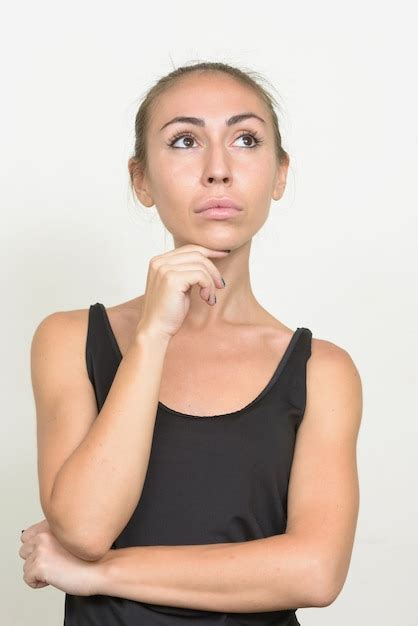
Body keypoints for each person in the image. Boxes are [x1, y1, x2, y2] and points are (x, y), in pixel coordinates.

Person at [20, 61, 363, 625]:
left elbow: (315, 572)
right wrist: (153, 334)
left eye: (245, 140)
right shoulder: (70, 339)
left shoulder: (321, 371)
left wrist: (100, 574)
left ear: (278, 176)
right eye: (185, 141)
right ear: (142, 181)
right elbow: (83, 528)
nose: (218, 170)